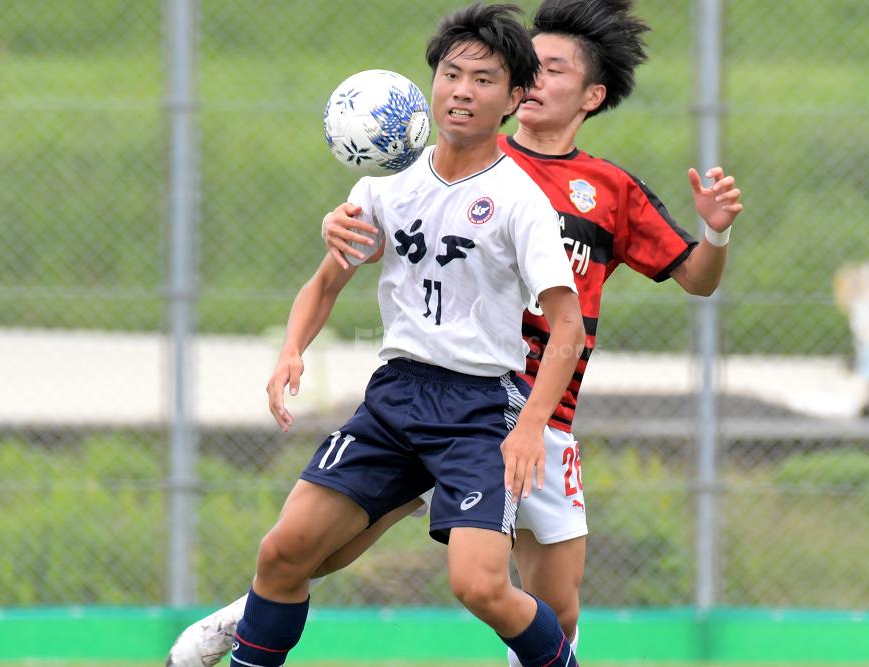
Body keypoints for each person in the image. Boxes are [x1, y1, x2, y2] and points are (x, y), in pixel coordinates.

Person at [167, 0, 743, 665]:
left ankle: (263, 605)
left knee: (541, 601)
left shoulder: (598, 191)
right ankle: (254, 611)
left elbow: (692, 279)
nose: (479, 86)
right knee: (312, 544)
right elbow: (356, 247)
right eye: (457, 73)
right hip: (422, 390)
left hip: (527, 410)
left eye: (550, 69)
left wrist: (716, 231)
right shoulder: (416, 171)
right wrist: (336, 238)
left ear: (585, 94)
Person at [197, 4, 587, 667]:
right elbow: (325, 284)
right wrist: (292, 348)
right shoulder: (387, 183)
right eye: (451, 73)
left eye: (485, 79)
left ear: (515, 98)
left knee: (480, 584)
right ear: (431, 81)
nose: (462, 90)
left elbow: (568, 328)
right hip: (395, 397)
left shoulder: (520, 200)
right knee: (283, 553)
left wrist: (530, 426)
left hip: (479, 410)